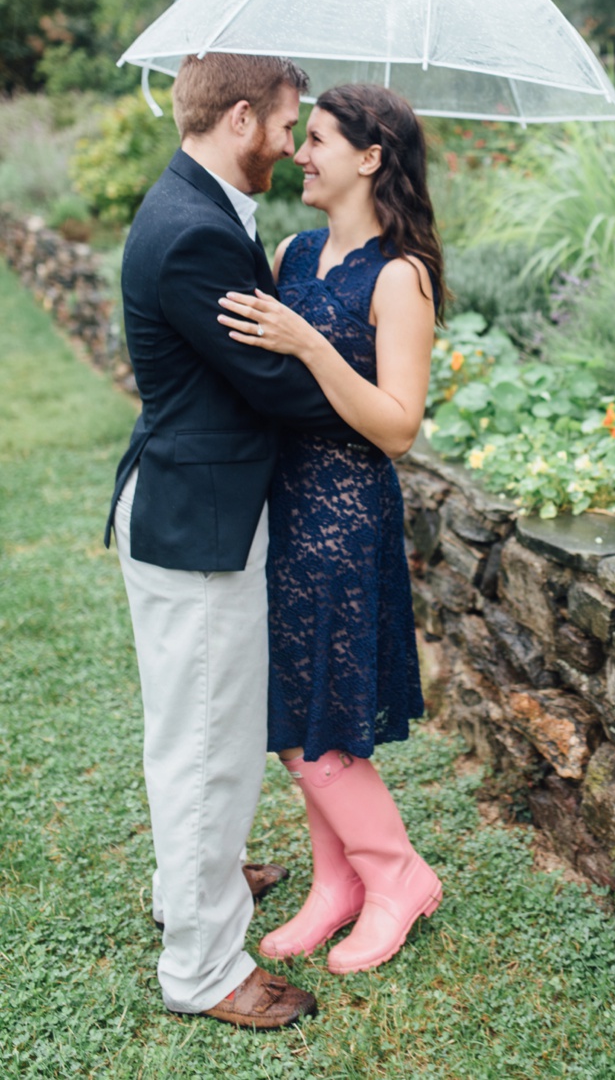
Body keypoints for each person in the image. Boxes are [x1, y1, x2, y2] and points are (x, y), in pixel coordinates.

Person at [108, 51, 361, 1028]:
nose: (297, 143)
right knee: (206, 748)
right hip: (198, 522)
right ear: (243, 118)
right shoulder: (193, 238)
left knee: (197, 733)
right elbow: (278, 386)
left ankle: (196, 886)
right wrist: (362, 374)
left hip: (193, 503)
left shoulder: (199, 208)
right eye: (290, 124)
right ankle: (203, 969)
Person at [214, 82, 445, 975]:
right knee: (312, 709)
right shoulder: (292, 251)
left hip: (346, 515)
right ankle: (334, 883)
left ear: (371, 156)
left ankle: (397, 878)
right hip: (280, 501)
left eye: (315, 140)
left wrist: (310, 344)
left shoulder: (400, 276)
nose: (298, 154)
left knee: (309, 722)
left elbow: (396, 425)